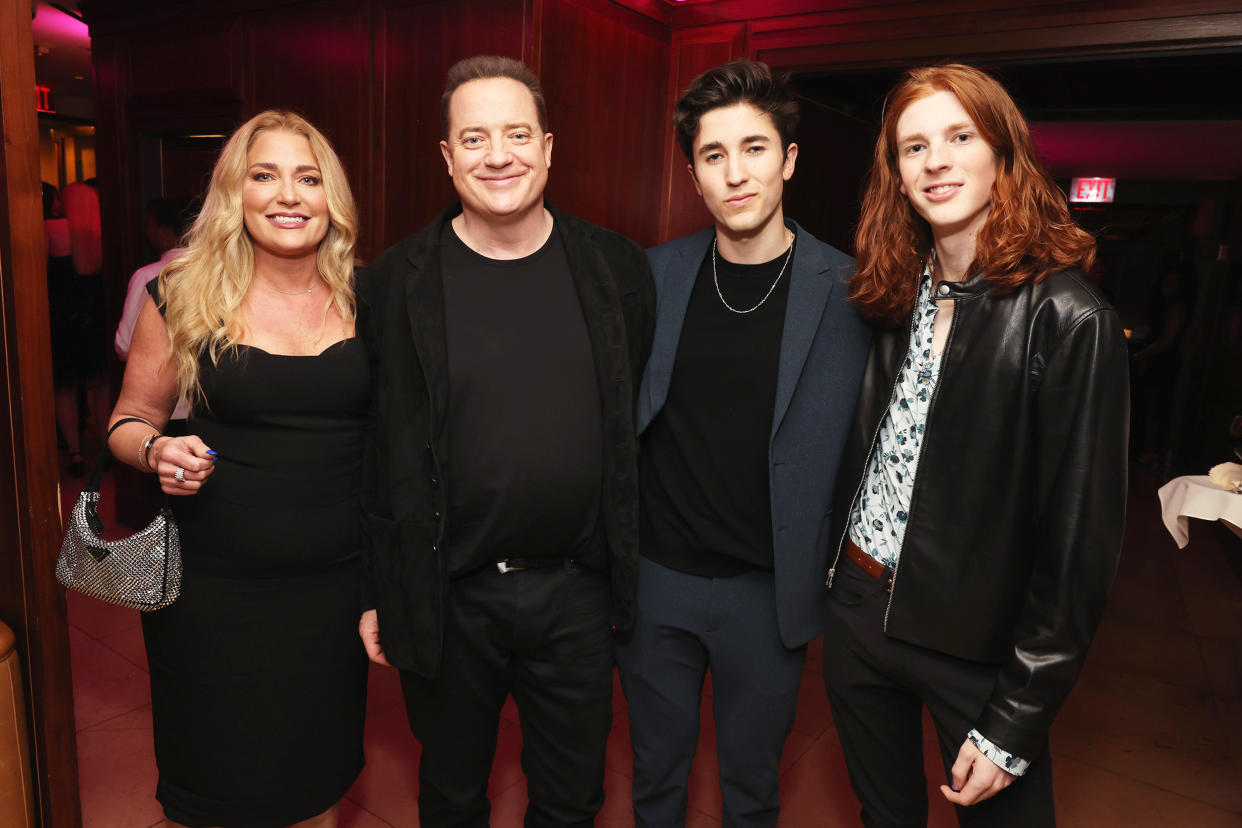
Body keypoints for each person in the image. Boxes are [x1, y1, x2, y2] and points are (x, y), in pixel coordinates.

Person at [822, 63, 1129, 826]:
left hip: (977, 646)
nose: (936, 162)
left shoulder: (1070, 318)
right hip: (860, 612)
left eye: (960, 137)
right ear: (895, 173)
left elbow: (1077, 548)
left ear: (1002, 153)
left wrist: (1016, 719)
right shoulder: (893, 292)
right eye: (913, 146)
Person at [357, 55, 654, 827]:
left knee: (571, 797)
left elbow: (629, 422)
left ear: (549, 148)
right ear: (448, 158)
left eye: (517, 134)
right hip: (448, 595)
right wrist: (374, 592)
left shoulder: (615, 269)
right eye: (476, 138)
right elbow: (374, 442)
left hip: (577, 595)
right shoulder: (395, 282)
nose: (499, 155)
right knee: (452, 794)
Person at [614, 59, 868, 827]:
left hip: (770, 592)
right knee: (655, 776)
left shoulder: (851, 293)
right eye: (713, 155)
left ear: (788, 159)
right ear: (693, 174)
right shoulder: (653, 276)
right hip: (656, 581)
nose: (735, 173)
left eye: (754, 149)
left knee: (752, 788)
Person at [107, 110, 367, 828]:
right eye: (265, 175)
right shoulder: (182, 292)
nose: (288, 194)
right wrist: (158, 450)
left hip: (332, 595)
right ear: (235, 192)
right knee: (216, 790)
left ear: (329, 197)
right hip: (213, 596)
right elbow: (128, 423)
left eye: (307, 177)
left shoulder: (368, 300)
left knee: (316, 784)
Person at [54, 179, 109, 476]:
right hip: (96, 315)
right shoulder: (102, 231)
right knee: (102, 385)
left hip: (64, 319)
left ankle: (75, 453)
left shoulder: (55, 230)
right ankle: (106, 447)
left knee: (64, 388)